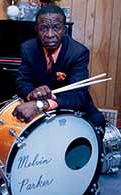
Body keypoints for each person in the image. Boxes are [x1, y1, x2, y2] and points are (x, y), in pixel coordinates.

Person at [12, 3, 106, 139]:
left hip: (72, 105)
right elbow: (22, 82)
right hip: (38, 105)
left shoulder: (78, 52)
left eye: (56, 28)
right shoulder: (28, 48)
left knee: (97, 121)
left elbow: (78, 95)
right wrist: (32, 94)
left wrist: (41, 104)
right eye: (44, 28)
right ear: (36, 29)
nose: (50, 34)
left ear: (64, 29)